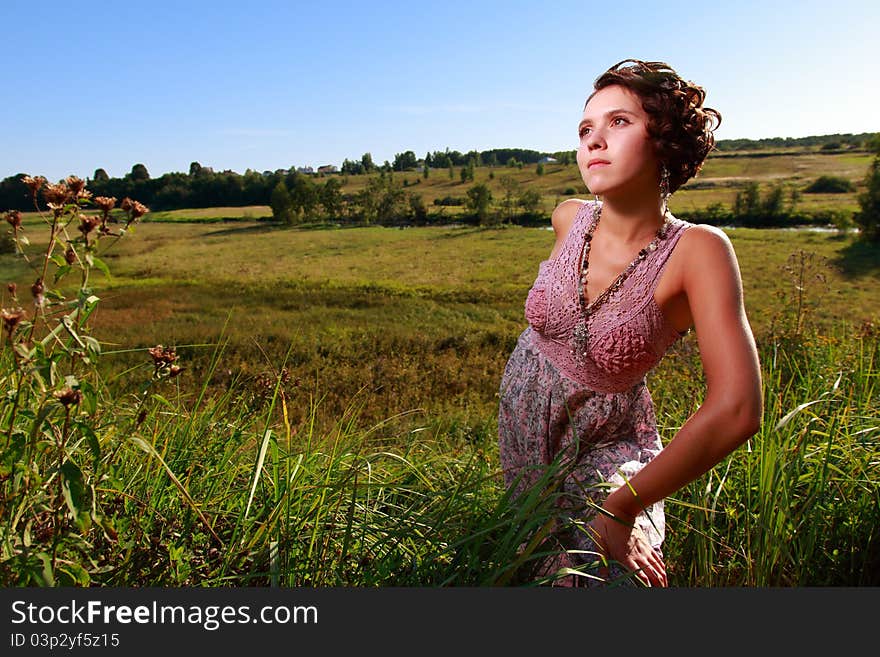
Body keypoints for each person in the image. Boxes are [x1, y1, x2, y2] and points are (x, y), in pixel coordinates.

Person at [497, 59, 763, 587]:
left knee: (600, 577)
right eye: (585, 129)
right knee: (527, 567)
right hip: (525, 440)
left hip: (604, 444)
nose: (594, 140)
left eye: (618, 122)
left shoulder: (697, 251)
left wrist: (622, 507)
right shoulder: (568, 218)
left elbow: (737, 409)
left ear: (664, 139)